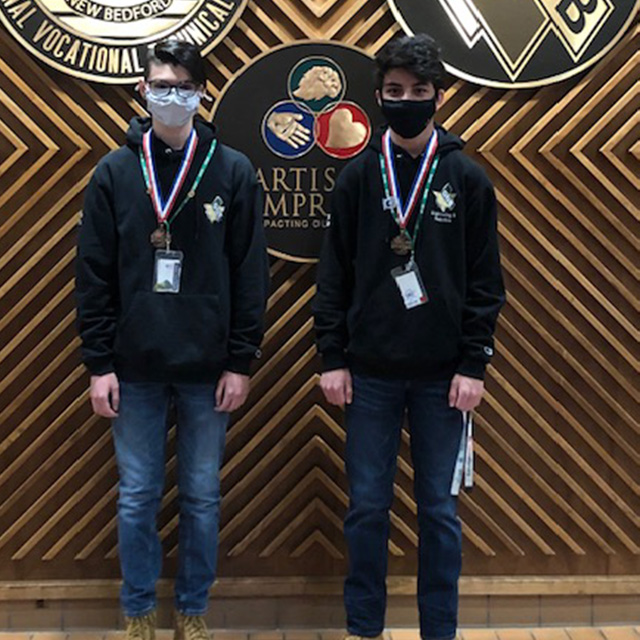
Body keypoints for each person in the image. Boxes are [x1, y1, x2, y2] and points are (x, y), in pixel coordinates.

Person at [313, 34, 505, 640]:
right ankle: (364, 628)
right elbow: (332, 277)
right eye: (394, 92)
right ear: (378, 98)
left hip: (443, 379)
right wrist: (331, 358)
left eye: (419, 92)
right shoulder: (356, 180)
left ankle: (439, 631)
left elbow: (485, 282)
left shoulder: (466, 179)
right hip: (367, 376)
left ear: (438, 98)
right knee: (367, 509)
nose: (406, 101)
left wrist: (473, 365)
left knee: (440, 515)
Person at [76, 40, 268, 640]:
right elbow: (93, 272)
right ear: (142, 90)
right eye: (161, 84)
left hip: (208, 370)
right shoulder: (113, 171)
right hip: (131, 369)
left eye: (184, 86)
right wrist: (98, 363)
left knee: (202, 498)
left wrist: (240, 361)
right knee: (136, 496)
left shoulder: (232, 170)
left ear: (202, 92)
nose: (172, 95)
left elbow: (250, 272)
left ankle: (191, 608)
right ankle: (137, 612)